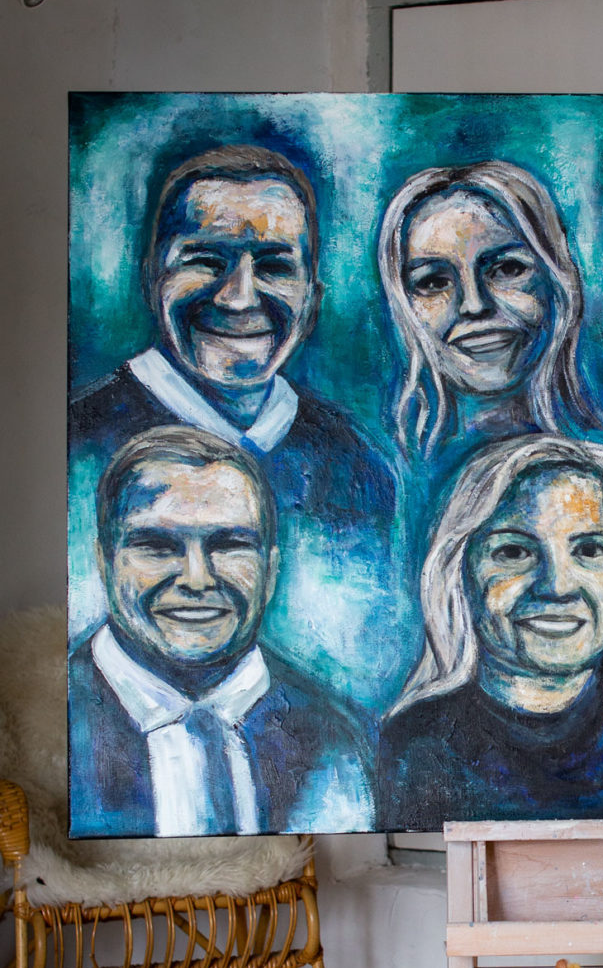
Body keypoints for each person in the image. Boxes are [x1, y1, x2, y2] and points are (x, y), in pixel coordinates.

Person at [69, 143, 404, 710]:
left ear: (312, 296)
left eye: (274, 266)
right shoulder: (75, 441)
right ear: (152, 279)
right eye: (205, 260)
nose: (238, 297)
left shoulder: (357, 465)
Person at [69, 428, 373, 837]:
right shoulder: (52, 724)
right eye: (157, 546)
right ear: (104, 563)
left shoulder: (335, 738)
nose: (197, 579)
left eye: (229, 545)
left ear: (270, 571)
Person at [378, 435, 603, 827]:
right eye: (514, 552)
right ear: (458, 572)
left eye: (589, 550)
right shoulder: (420, 747)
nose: (557, 586)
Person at [377, 161, 594, 460]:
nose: (474, 305)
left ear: (557, 280)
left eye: (507, 269)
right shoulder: (386, 466)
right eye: (434, 282)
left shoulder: (600, 458)